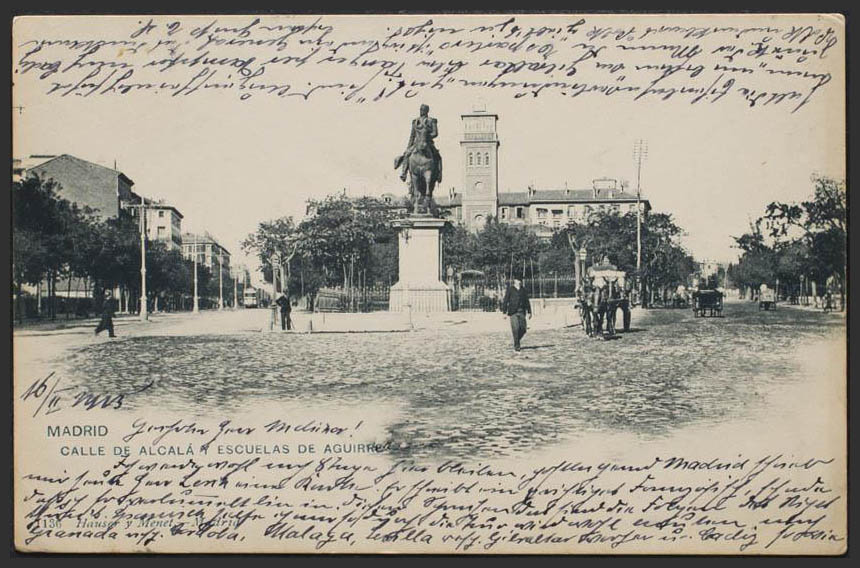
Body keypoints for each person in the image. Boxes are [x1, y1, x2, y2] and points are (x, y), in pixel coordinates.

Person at [395, 103, 443, 183]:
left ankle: (438, 174)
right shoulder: (415, 121)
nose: (421, 111)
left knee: (438, 156)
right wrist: (408, 147)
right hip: (416, 143)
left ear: (427, 111)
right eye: (421, 109)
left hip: (428, 143)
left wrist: (426, 136)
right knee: (407, 155)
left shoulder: (432, 121)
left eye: (423, 110)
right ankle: (404, 173)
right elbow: (412, 136)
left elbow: (435, 133)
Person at [501, 277, 532, 351]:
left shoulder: (523, 290)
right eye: (518, 280)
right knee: (515, 328)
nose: (519, 281)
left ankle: (516, 340)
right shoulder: (510, 289)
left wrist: (529, 312)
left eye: (520, 280)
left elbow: (527, 301)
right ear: (515, 281)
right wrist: (504, 312)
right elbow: (505, 300)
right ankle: (517, 345)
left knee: (523, 329)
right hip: (513, 312)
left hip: (522, 311)